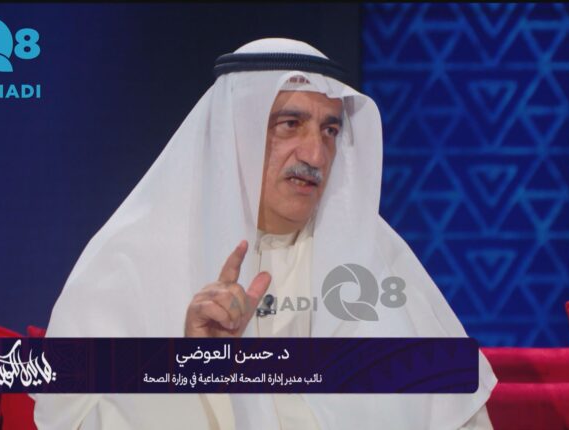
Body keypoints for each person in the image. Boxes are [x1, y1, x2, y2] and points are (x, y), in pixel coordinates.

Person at [33, 38, 497, 430]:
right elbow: (74, 418)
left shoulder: (372, 252)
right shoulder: (135, 256)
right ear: (236, 132)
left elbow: (460, 416)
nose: (315, 154)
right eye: (289, 125)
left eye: (330, 130)